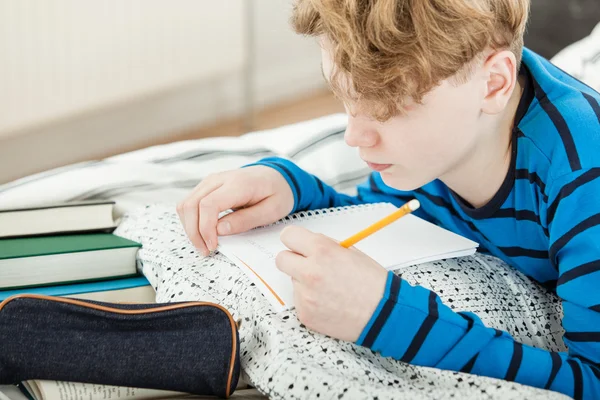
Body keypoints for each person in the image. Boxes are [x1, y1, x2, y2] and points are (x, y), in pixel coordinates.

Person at [177, 1, 600, 398]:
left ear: (494, 84)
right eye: (347, 97)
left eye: (390, 108)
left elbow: (593, 381)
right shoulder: (437, 148)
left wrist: (388, 317)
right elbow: (391, 219)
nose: (354, 136)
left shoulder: (583, 174)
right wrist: (292, 187)